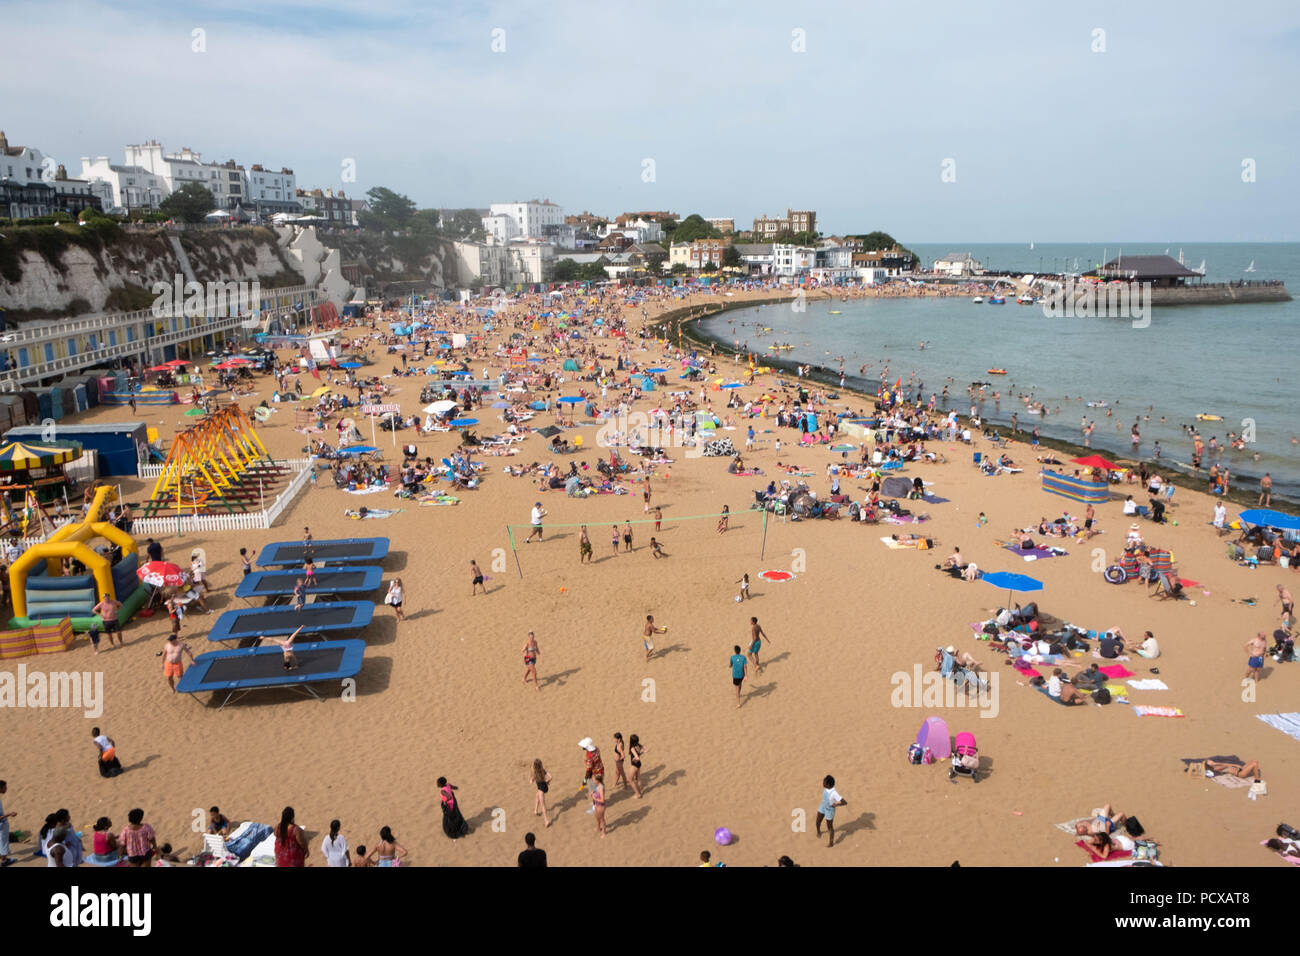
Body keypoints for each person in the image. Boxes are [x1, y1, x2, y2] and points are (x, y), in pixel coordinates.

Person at [816, 775, 847, 848]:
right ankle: (818, 832)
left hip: (829, 810)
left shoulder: (834, 793)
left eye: (824, 782)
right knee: (818, 821)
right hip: (823, 806)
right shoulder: (826, 788)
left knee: (829, 827)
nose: (822, 783)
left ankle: (831, 843)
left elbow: (844, 802)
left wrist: (835, 804)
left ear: (828, 785)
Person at [578, 738, 604, 807]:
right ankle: (599, 801)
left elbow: (588, 770)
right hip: (601, 769)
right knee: (600, 786)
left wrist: (585, 780)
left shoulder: (589, 756)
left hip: (595, 773)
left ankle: (596, 804)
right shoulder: (597, 749)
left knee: (593, 789)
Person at [531, 759, 552, 827]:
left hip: (541, 790)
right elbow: (551, 777)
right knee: (537, 796)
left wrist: (531, 780)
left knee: (543, 806)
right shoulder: (543, 770)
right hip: (545, 787)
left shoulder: (535, 773)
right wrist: (548, 781)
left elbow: (532, 780)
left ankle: (546, 821)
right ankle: (535, 810)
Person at [0, 780, 14, 866]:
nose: (6, 789)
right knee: (3, 842)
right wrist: (9, 814)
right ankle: (4, 861)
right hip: (1, 825)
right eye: (5, 787)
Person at [730, 643, 748, 708]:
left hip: (735, 675)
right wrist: (746, 675)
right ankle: (739, 694)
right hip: (742, 675)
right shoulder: (743, 657)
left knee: (736, 689)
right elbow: (745, 666)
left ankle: (738, 703)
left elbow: (731, 665)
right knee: (740, 685)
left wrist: (730, 666)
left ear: (735, 651)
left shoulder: (732, 657)